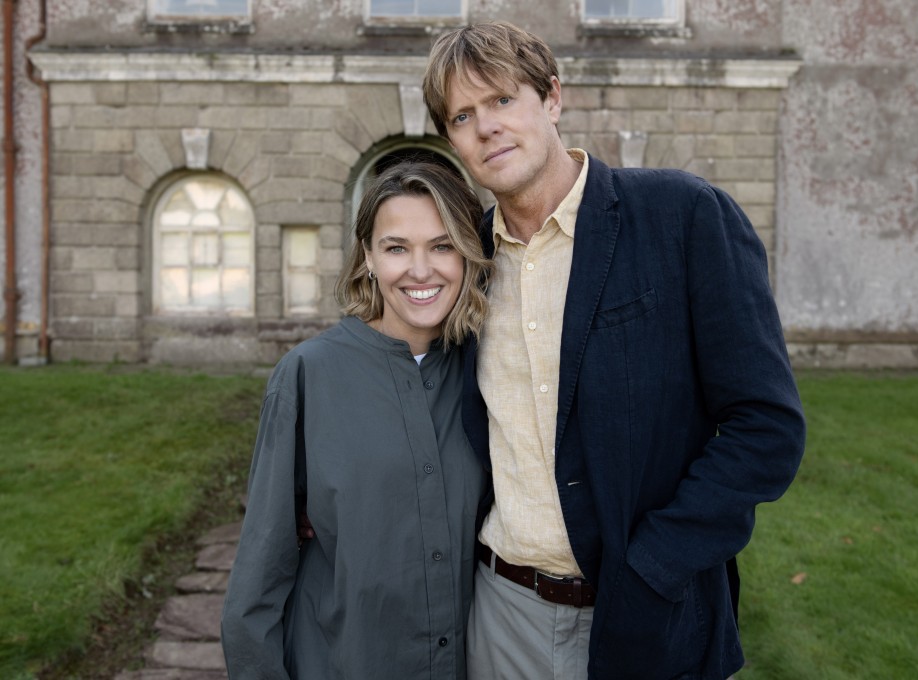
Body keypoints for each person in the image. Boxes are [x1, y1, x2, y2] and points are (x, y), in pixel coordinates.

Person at [418, 21, 808, 680]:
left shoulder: (682, 217)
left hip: (651, 615)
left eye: (503, 99)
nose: (486, 126)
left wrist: (652, 566)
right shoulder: (464, 264)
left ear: (552, 99)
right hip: (501, 614)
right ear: (451, 138)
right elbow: (414, 392)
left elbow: (765, 428)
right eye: (462, 114)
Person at [220, 160, 492, 679]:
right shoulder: (307, 375)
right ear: (367, 256)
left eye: (442, 245)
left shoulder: (485, 370)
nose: (420, 270)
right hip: (340, 660)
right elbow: (260, 573)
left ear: (467, 254)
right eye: (396, 248)